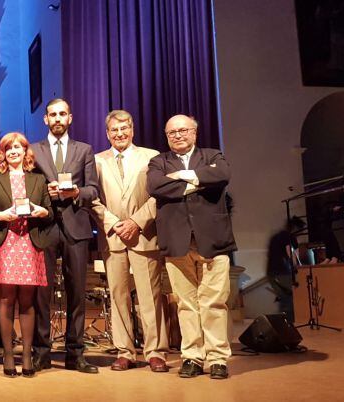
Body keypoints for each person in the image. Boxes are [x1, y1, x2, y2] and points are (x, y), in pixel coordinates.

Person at [147, 114, 237, 380]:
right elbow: (155, 186)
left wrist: (185, 176)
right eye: (172, 132)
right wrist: (199, 182)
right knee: (186, 304)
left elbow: (222, 174)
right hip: (177, 241)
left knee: (214, 302)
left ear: (195, 132)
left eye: (183, 130)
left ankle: (218, 358)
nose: (177, 135)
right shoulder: (158, 162)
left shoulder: (213, 155)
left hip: (213, 239)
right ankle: (192, 357)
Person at [90, 110, 170, 372]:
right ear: (107, 133)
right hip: (113, 236)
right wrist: (115, 223)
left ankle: (155, 351)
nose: (119, 133)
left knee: (150, 296)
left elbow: (159, 195)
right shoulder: (97, 161)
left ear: (132, 130)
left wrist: (136, 222)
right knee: (118, 295)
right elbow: (93, 199)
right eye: (114, 130)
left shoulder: (151, 156)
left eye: (124, 128)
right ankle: (125, 351)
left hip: (144, 233)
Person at [29, 99, 100, 374]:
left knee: (77, 293)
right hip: (44, 226)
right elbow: (25, 189)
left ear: (70, 117)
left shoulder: (85, 150)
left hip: (76, 225)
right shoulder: (33, 150)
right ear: (45, 119)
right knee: (41, 293)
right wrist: (45, 191)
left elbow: (93, 189)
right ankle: (42, 352)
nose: (57, 118)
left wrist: (76, 193)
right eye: (52, 114)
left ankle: (76, 354)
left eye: (62, 114)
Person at [0, 132, 53, 378]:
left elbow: (49, 212)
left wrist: (40, 211)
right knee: (6, 299)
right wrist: (1, 215)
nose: (13, 151)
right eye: (8, 148)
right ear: (3, 153)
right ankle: (8, 354)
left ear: (25, 152)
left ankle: (27, 354)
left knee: (28, 301)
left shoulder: (38, 180)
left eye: (17, 147)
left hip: (29, 243)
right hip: (6, 243)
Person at [266, 216, 305, 324]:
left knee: (284, 299)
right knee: (290, 298)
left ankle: (282, 324)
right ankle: (289, 324)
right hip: (282, 271)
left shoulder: (276, 236)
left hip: (271, 272)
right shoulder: (289, 237)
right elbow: (291, 254)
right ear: (295, 228)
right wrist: (298, 267)